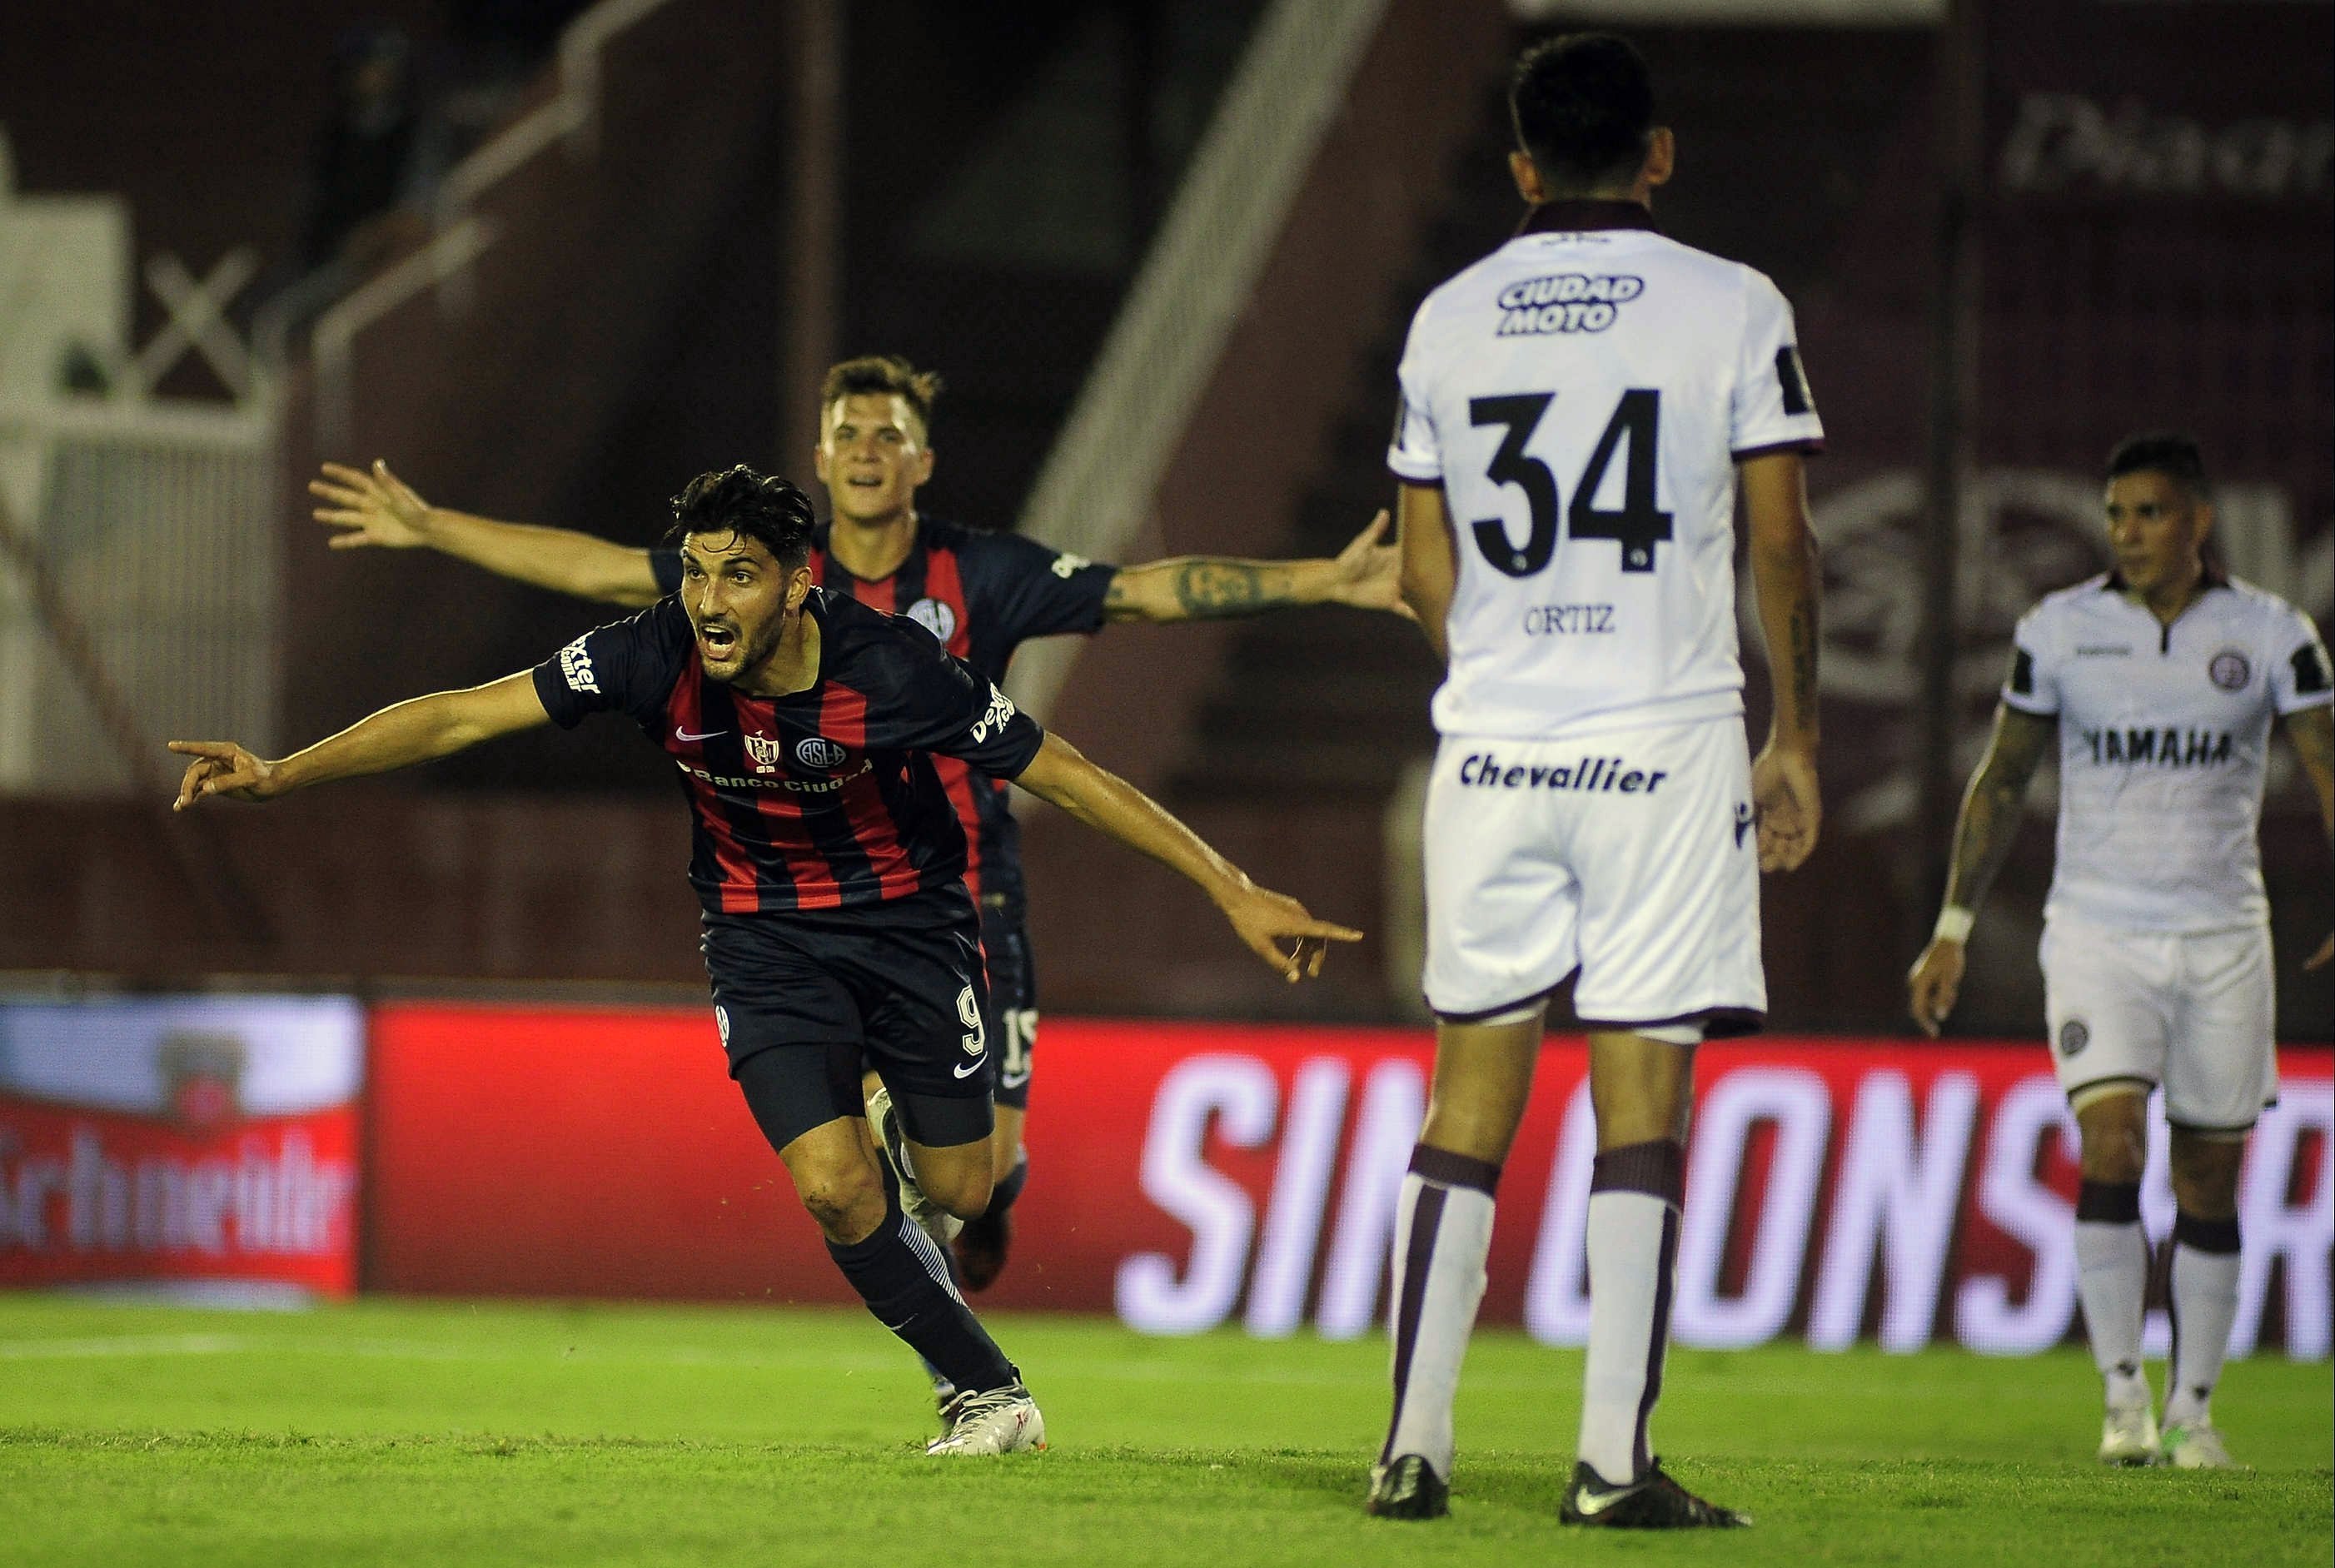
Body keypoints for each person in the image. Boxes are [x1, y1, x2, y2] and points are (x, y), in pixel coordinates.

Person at [172, 465, 1360, 1456]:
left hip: (912, 929)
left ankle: (915, 1125)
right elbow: (463, 713)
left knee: (962, 1190)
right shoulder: (649, 655)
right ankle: (988, 1393)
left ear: (798, 584)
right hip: (762, 941)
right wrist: (284, 770)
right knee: (837, 1186)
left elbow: (1070, 773)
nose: (704, 596)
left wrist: (1232, 885)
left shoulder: (891, 669)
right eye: (694, 570)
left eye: (735, 571)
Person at [306, 353, 1406, 1297]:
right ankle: (929, 1279)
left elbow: (1149, 592)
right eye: (847, 432)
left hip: (968, 888)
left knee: (973, 1188)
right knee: (871, 1176)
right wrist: (431, 525)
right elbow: (593, 568)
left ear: (922, 461)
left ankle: (944, 1167)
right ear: (823, 461)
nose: (869, 446)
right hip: (811, 899)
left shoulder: (986, 573)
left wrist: (1323, 580)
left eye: (892, 431)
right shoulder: (759, 570)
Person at [1367, 33, 1823, 1529]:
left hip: (1490, 748)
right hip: (1662, 737)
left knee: (1464, 1096)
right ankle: (1609, 1464)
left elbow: (1422, 566)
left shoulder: (1443, 321)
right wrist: (1795, 730)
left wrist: (1502, 666)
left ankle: (1408, 1449)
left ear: (1515, 167)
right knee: (1639, 1100)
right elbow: (1776, 542)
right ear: (1658, 151)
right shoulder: (1729, 304)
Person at [1908, 432, 2333, 1471]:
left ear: (2195, 521)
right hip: (2096, 928)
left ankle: (2192, 1406)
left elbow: (2326, 764)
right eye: (2113, 514)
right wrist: (1951, 928)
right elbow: (2001, 778)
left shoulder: (2270, 633)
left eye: (2146, 513)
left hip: (2223, 936)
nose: (2125, 533)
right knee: (2109, 1146)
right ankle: (2119, 1399)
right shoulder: (2058, 630)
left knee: (2205, 1176)